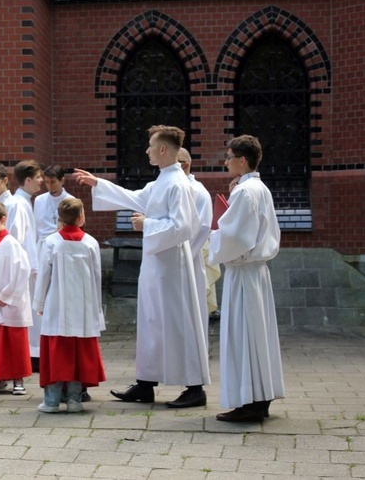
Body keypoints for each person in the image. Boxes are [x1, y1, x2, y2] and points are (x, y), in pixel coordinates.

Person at [74, 125, 210, 409]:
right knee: (152, 321)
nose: (146, 150)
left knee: (176, 322)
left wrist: (146, 224)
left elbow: (184, 227)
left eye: (150, 145)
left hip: (172, 264)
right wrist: (98, 183)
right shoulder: (163, 180)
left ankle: (195, 388)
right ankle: (146, 384)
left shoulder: (178, 184)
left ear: (163, 149)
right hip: (158, 262)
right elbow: (135, 197)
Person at [209, 135, 285, 422]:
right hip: (256, 272)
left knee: (243, 335)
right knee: (257, 336)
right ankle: (259, 397)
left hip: (243, 271)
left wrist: (213, 235)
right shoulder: (259, 187)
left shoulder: (245, 192)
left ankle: (248, 402)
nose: (226, 162)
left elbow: (235, 237)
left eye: (229, 157)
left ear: (242, 160)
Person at [33, 198, 106, 413]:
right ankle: (74, 400)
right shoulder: (91, 243)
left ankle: (52, 401)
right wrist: (96, 308)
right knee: (77, 352)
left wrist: (39, 302)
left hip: (56, 305)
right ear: (81, 217)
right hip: (82, 307)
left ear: (59, 218)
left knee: (57, 352)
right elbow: (96, 277)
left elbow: (43, 276)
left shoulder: (52, 242)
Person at [0, 202, 33, 396]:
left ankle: (18, 379)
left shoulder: (11, 243)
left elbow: (22, 270)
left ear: (3, 220)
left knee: (13, 341)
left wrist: (7, 295)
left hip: (9, 302)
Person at [177, 148, 213, 345]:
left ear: (185, 165)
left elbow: (203, 227)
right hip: (171, 260)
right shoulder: (173, 187)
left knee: (191, 311)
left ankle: (194, 358)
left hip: (188, 259)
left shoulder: (198, 191)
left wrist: (182, 254)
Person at [34, 164, 74, 242]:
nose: (50, 186)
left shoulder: (71, 201)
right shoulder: (39, 200)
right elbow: (36, 228)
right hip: (42, 245)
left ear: (62, 180)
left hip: (63, 243)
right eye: (47, 182)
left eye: (53, 182)